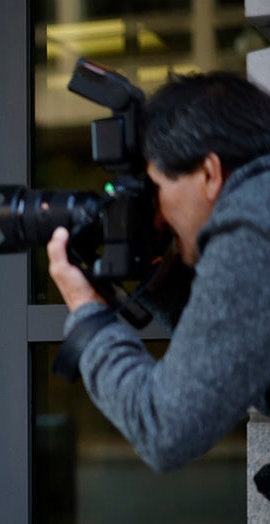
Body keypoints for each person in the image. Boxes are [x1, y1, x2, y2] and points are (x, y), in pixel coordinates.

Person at [46, 70, 270, 472]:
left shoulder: (251, 224)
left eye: (159, 188)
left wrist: (87, 313)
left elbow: (166, 429)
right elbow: (241, 380)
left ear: (209, 173)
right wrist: (162, 277)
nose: (159, 213)